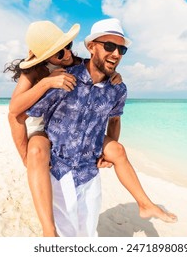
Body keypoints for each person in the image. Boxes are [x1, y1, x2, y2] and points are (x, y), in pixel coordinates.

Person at [25, 18, 177, 237]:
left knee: (88, 236)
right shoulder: (64, 79)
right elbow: (27, 115)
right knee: (60, 237)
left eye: (121, 49)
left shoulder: (118, 89)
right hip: (59, 171)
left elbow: (114, 120)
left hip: (89, 174)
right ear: (91, 47)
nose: (116, 53)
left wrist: (107, 155)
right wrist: (28, 157)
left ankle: (145, 204)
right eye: (109, 46)